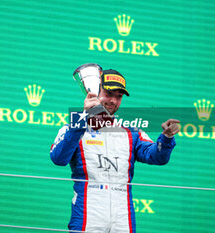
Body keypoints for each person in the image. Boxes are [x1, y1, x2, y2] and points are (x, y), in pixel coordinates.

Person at [50, 69, 180, 233]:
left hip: (123, 216)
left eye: (118, 96)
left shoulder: (132, 132)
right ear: (95, 92)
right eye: (109, 93)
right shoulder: (73, 128)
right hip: (87, 214)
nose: (113, 100)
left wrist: (166, 138)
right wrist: (83, 119)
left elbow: (157, 157)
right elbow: (58, 158)